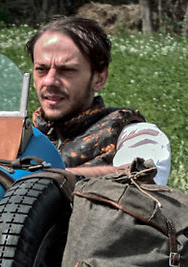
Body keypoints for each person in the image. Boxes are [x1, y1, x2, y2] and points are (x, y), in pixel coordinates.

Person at [26, 15, 172, 183]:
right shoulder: (19, 138)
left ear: (99, 79)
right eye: (41, 69)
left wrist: (49, 178)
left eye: (67, 71)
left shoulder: (136, 135)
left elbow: (140, 178)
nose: (49, 81)